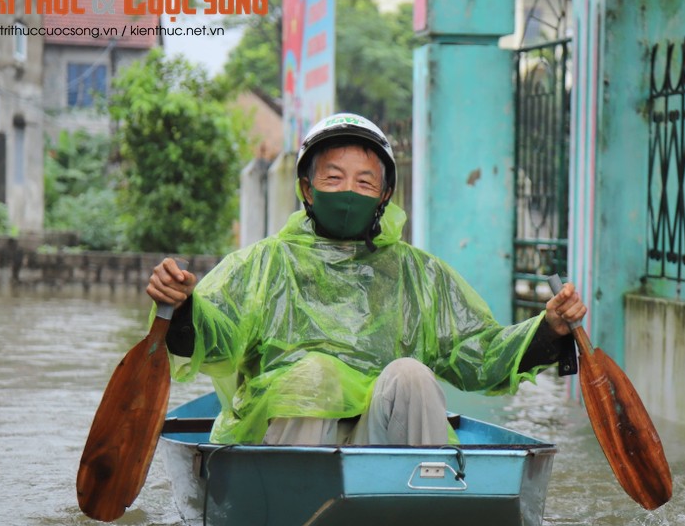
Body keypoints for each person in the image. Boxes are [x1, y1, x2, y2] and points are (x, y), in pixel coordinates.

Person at [146, 113, 587, 446]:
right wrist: (184, 306)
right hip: (285, 446)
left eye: (364, 181)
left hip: (379, 445)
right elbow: (214, 337)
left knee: (412, 375)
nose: (348, 192)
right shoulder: (263, 264)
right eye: (333, 178)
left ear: (385, 195)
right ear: (306, 188)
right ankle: (296, 509)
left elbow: (480, 356)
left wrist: (547, 329)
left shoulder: (420, 275)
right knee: (315, 374)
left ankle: (420, 512)